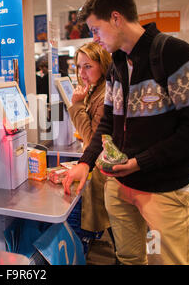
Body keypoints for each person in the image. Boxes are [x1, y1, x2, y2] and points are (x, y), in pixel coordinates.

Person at [63, 0, 189, 265]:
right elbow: (107, 122)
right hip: (119, 187)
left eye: (95, 30)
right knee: (128, 258)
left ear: (116, 18)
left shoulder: (176, 55)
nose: (94, 39)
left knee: (175, 260)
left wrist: (141, 162)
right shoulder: (116, 66)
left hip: (165, 189)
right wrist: (86, 162)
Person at [68, 42, 115, 255]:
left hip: (109, 172)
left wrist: (76, 105)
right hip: (107, 169)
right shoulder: (99, 88)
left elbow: (93, 138)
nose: (82, 73)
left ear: (103, 65)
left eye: (88, 66)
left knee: (117, 223)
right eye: (79, 67)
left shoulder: (105, 94)